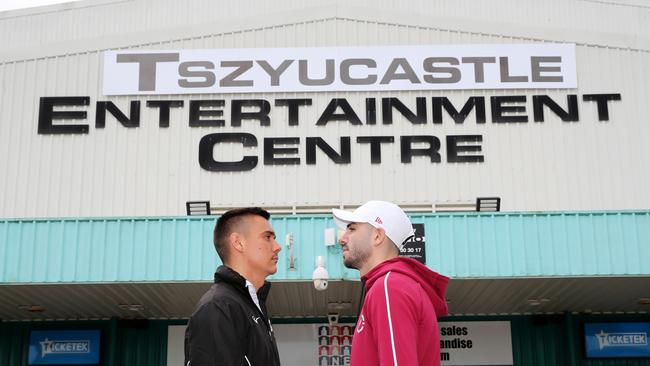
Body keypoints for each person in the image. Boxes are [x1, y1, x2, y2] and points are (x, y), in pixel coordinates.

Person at [332, 200, 449, 366]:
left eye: (352, 229)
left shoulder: (389, 287)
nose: (342, 238)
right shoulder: (392, 285)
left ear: (378, 236)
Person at [184, 207, 282, 366]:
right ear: (238, 242)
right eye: (267, 237)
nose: (277, 246)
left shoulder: (250, 306)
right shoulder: (218, 307)